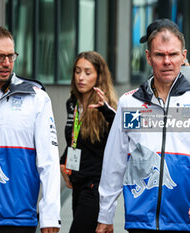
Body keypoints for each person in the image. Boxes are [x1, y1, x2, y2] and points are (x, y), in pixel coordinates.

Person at [96, 18, 190, 233]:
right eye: (160, 55)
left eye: (173, 54)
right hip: (139, 222)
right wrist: (105, 214)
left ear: (183, 56)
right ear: (149, 57)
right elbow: (115, 162)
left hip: (186, 219)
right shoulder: (129, 103)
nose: (167, 61)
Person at [0, 26, 60, 233]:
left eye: (11, 56)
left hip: (18, 221)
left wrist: (50, 216)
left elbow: (49, 161)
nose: (7, 63)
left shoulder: (36, 98)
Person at [60, 51, 117, 233]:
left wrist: (107, 111)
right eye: (77, 71)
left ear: (99, 77)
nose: (81, 78)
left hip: (96, 186)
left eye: (87, 72)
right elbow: (74, 141)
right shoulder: (73, 104)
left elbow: (123, 136)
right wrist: (64, 161)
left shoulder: (106, 108)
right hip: (77, 183)